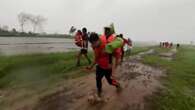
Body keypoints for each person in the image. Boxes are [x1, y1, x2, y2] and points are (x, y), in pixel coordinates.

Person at [87, 29, 122, 97]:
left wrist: (113, 67)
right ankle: (99, 91)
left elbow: (116, 55)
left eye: (93, 43)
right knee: (98, 78)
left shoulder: (107, 41)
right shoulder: (95, 47)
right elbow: (96, 58)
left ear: (98, 40)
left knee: (110, 81)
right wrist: (91, 66)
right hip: (100, 66)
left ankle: (117, 85)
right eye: (91, 44)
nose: (93, 45)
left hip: (108, 67)